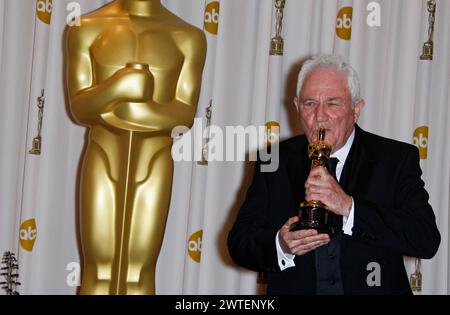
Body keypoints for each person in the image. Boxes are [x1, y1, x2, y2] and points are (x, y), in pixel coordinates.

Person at [227, 54, 440, 294]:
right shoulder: (272, 159)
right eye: (309, 103)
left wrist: (349, 207)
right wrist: (280, 245)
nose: (319, 115)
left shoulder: (394, 159)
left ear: (356, 109)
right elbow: (239, 242)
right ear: (297, 107)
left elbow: (425, 239)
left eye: (332, 103)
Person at [65, 0, 206, 294]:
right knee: (99, 269)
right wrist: (119, 86)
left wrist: (125, 111)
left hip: (154, 161)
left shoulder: (188, 37)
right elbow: (80, 107)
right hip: (103, 156)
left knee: (139, 272)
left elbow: (183, 115)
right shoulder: (86, 28)